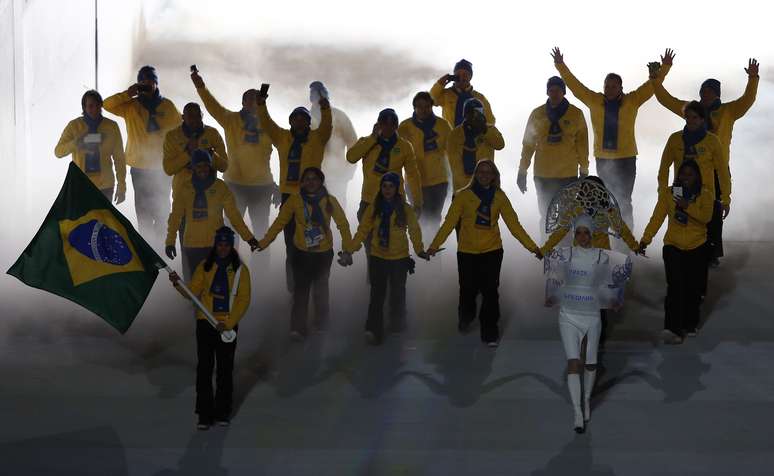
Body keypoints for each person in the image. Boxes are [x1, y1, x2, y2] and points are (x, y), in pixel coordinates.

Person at [654, 51, 758, 267]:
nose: (707, 94)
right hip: (686, 173)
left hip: (716, 171)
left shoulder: (728, 111)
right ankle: (680, 245)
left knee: (712, 212)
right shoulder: (690, 110)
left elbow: (748, 100)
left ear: (718, 95)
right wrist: (657, 77)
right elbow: (665, 99)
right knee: (680, 207)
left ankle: (710, 253)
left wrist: (753, 79)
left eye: (711, 91)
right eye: (704, 91)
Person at [551, 47, 669, 235]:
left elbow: (650, 87)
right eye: (607, 86)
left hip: (626, 158)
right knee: (603, 199)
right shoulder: (594, 100)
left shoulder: (632, 100)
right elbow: (576, 87)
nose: (609, 89)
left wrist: (664, 68)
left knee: (624, 200)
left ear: (621, 88)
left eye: (614, 86)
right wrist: (560, 65)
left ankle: (626, 237)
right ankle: (603, 236)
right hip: (604, 159)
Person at [427, 160, 542, 347]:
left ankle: (490, 332)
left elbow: (514, 226)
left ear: (494, 176)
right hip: (467, 251)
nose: (484, 175)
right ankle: (466, 316)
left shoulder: (500, 197)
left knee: (490, 291)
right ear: (475, 174)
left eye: (488, 172)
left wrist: (533, 247)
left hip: (492, 251)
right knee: (468, 290)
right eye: (481, 171)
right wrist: (434, 245)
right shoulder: (463, 196)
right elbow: (449, 223)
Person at [544, 214, 632, 433]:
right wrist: (551, 294)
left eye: (586, 233)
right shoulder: (565, 255)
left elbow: (610, 281)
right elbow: (554, 276)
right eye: (579, 232)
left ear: (592, 235)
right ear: (575, 235)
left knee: (591, 363)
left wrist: (615, 299)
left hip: (592, 315)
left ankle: (585, 401)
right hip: (568, 315)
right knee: (574, 362)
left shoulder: (602, 257)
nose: (583, 236)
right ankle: (576, 412)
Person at [540, 175, 640, 350]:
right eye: (586, 190)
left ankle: (598, 334)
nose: (589, 193)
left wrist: (634, 246)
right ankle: (577, 330)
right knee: (578, 295)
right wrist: (545, 248)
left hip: (600, 260)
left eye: (594, 190)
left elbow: (621, 229)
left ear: (600, 192)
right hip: (578, 260)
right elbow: (561, 230)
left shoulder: (608, 210)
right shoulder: (574, 209)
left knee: (599, 297)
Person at [168, 226, 251, 430]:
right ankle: (204, 414)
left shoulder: (241, 270)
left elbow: (244, 300)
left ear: (231, 246)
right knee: (204, 369)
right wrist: (179, 285)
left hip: (227, 327)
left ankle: (222, 412)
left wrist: (229, 324)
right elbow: (193, 293)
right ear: (215, 245)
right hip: (206, 323)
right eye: (219, 244)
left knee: (224, 370)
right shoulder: (205, 266)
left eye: (226, 244)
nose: (222, 248)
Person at [257, 167, 352, 340]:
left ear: (321, 181)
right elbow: (280, 222)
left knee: (321, 289)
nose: (310, 182)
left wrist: (348, 250)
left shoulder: (330, 201)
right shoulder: (295, 200)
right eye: (307, 179)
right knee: (301, 290)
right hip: (301, 252)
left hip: (323, 253)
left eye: (314, 178)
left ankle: (321, 323)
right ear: (302, 183)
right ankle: (298, 328)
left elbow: (343, 225)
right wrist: (265, 242)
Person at [192, 71, 280, 252]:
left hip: (262, 186)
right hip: (235, 185)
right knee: (231, 232)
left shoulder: (268, 125)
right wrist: (201, 87)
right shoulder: (231, 120)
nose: (255, 102)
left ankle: (260, 277)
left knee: (262, 234)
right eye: (251, 99)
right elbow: (213, 106)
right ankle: (231, 273)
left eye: (258, 99)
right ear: (243, 102)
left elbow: (287, 151)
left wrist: (280, 186)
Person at [256, 87, 332, 290]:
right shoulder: (282, 138)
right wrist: (261, 104)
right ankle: (294, 287)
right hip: (289, 197)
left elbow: (326, 126)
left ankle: (317, 283)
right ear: (290, 122)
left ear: (309, 122)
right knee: (292, 245)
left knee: (316, 243)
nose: (299, 122)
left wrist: (325, 108)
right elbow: (266, 123)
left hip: (314, 198)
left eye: (303, 119)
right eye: (295, 119)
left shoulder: (317, 139)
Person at [341, 173, 428, 345]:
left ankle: (397, 322)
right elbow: (363, 231)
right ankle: (373, 330)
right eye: (384, 186)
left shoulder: (405, 208)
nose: (387, 189)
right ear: (381, 189)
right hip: (378, 257)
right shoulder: (374, 208)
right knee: (377, 295)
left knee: (397, 293)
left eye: (391, 186)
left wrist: (419, 250)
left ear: (397, 189)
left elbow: (414, 231)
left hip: (399, 258)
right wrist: (349, 250)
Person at [638, 160, 714, 344]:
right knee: (675, 287)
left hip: (697, 246)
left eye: (690, 174)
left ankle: (690, 323)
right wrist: (645, 239)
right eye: (683, 174)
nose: (686, 178)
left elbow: (706, 218)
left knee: (693, 288)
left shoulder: (705, 194)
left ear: (697, 176)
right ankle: (672, 329)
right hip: (673, 246)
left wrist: (688, 206)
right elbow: (657, 218)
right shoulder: (669, 194)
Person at [104, 65, 180, 239]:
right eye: (142, 82)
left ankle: (162, 248)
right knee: (143, 212)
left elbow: (181, 128)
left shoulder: (168, 106)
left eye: (150, 81)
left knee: (162, 211)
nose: (147, 85)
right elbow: (106, 105)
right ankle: (147, 245)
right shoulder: (130, 106)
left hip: (162, 168)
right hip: (139, 168)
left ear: (156, 83)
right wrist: (128, 94)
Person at [165, 149, 258, 280]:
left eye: (206, 165)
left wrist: (249, 238)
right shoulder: (185, 189)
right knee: (195, 287)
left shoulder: (221, 187)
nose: (203, 169)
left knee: (216, 285)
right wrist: (170, 242)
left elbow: (234, 216)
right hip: (192, 246)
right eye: (198, 166)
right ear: (193, 168)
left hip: (216, 246)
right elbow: (175, 217)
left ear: (210, 166)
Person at [518, 76, 589, 239]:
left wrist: (584, 170)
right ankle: (546, 251)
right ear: (547, 92)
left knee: (566, 218)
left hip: (568, 175)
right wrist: (522, 171)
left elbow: (582, 145)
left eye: (558, 90)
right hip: (544, 175)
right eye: (551, 90)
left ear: (564, 92)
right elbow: (528, 145)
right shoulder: (537, 114)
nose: (554, 93)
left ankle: (566, 253)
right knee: (546, 217)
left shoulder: (576, 114)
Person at [348, 108, 423, 225]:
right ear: (378, 125)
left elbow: (413, 175)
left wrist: (417, 202)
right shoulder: (366, 142)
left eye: (392, 124)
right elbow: (351, 158)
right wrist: (373, 138)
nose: (388, 127)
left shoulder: (405, 146)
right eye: (384, 124)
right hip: (369, 199)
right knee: (367, 237)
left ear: (396, 126)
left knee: (395, 238)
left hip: (396, 199)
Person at [55, 90, 127, 203]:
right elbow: (58, 152)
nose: (94, 109)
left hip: (105, 186)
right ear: (84, 107)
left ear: (101, 105)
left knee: (103, 221)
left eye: (97, 105)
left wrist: (122, 187)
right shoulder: (74, 126)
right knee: (84, 221)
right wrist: (77, 142)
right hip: (81, 186)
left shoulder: (111, 127)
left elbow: (119, 159)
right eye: (90, 106)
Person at [398, 92, 453, 230]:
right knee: (419, 218)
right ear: (414, 108)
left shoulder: (443, 125)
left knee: (434, 218)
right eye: (420, 106)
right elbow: (397, 153)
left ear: (432, 107)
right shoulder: (404, 127)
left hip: (439, 181)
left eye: (427, 106)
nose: (423, 110)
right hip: (414, 182)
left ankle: (433, 249)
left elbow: (453, 152)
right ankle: (420, 248)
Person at [309, 81, 358, 211]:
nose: (317, 97)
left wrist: (349, 170)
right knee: (315, 213)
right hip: (312, 176)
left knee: (338, 210)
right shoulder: (305, 118)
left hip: (338, 174)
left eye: (319, 93)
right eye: (313, 94)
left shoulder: (339, 116)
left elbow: (353, 144)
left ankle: (338, 231)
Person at [446, 98, 505, 193]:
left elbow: (500, 145)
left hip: (488, 185)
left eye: (480, 112)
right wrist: (470, 188)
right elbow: (455, 166)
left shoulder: (490, 129)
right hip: (463, 189)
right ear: (466, 115)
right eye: (473, 113)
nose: (477, 116)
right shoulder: (455, 135)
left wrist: (485, 130)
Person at [430, 59, 495, 127]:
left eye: (465, 74)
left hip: (472, 136)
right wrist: (439, 84)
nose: (461, 77)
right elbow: (431, 100)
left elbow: (490, 121)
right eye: (458, 74)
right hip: (452, 135)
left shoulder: (480, 98)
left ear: (470, 77)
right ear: (454, 76)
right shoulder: (446, 94)